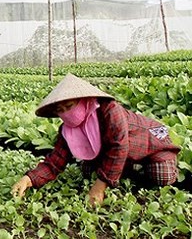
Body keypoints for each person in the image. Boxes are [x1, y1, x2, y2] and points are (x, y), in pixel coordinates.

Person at [11, 73, 180, 206]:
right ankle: (126, 170)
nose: (66, 113)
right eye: (61, 110)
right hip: (122, 155)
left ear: (83, 100)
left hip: (153, 145)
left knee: (161, 176)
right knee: (87, 171)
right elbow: (56, 161)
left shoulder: (110, 110)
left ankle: (137, 170)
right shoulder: (67, 129)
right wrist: (29, 179)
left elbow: (119, 146)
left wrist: (99, 187)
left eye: (69, 106)